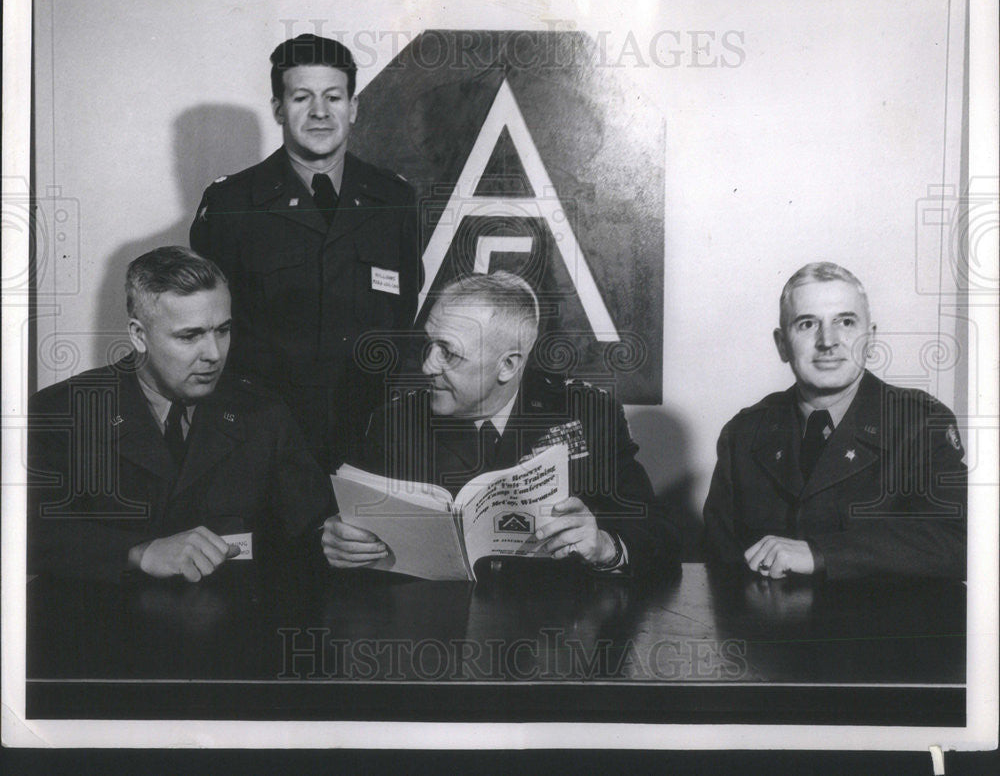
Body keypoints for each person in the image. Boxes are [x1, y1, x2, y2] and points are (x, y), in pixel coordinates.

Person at [322, 271, 680, 576]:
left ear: (508, 365)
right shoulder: (394, 422)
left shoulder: (587, 413)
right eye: (428, 345)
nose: (428, 365)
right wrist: (336, 542)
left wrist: (605, 546)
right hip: (433, 639)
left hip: (553, 640)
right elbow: (339, 529)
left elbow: (662, 539)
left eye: (448, 351)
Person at [28, 247, 335, 584]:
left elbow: (309, 527)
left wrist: (336, 541)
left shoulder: (262, 412)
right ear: (138, 335)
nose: (214, 354)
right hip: (101, 626)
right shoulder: (61, 413)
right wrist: (138, 553)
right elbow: (25, 535)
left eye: (222, 330)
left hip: (233, 624)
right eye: (190, 336)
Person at [190, 34, 421, 472]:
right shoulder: (231, 204)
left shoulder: (395, 199)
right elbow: (209, 335)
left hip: (369, 443)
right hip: (259, 446)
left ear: (353, 108)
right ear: (278, 108)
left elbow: (401, 318)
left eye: (333, 97)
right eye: (302, 97)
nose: (320, 112)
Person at [703, 262, 966, 580]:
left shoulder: (920, 424)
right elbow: (722, 564)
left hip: (886, 628)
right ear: (782, 345)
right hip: (768, 629)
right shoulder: (744, 434)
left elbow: (959, 541)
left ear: (870, 338)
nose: (828, 340)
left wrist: (820, 554)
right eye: (806, 324)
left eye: (845, 322)